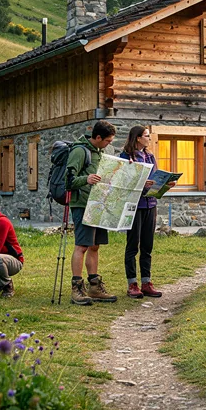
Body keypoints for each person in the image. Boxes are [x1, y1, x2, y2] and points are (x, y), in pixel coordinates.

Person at [118, 125, 175, 299]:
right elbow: (124, 182)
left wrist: (164, 184)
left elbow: (155, 177)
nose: (149, 139)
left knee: (147, 246)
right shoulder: (125, 157)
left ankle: (146, 282)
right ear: (137, 138)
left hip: (150, 204)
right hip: (134, 206)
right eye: (146, 136)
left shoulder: (150, 156)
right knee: (132, 245)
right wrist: (143, 184)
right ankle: (132, 284)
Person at [68, 120, 118, 305]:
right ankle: (77, 289)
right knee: (81, 245)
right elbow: (69, 180)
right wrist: (86, 179)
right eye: (107, 141)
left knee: (95, 245)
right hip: (82, 204)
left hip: (99, 203)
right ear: (97, 137)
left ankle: (95, 287)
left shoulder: (103, 152)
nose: (109, 144)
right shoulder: (80, 151)